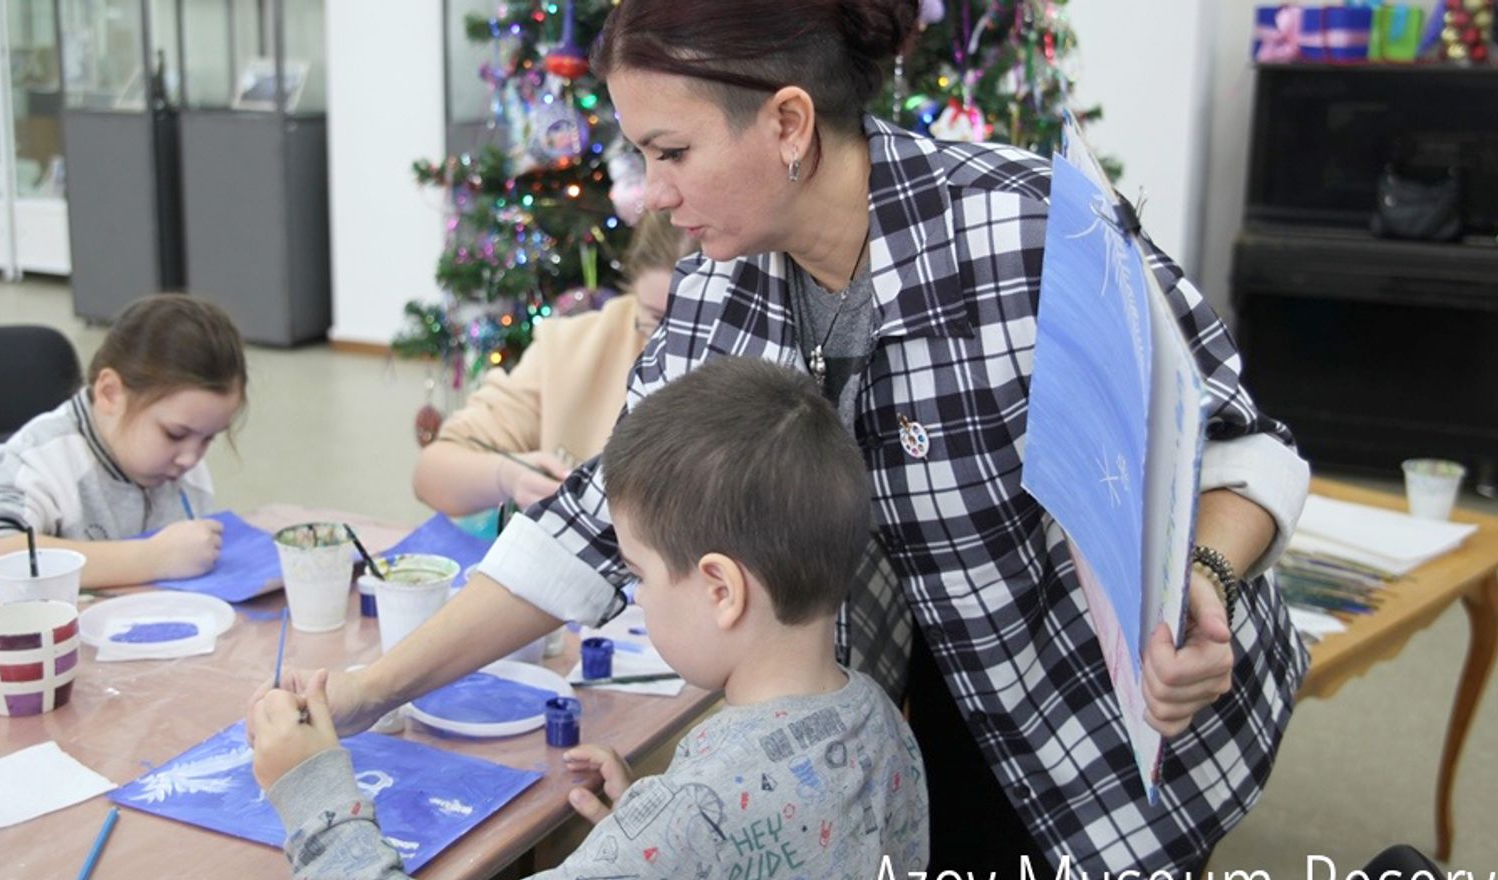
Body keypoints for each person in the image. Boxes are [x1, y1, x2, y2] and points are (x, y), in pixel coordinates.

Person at [262, 0, 1312, 874]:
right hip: (907, 708)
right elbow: (589, 523)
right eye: (639, 154)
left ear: (789, 123)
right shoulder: (719, 282)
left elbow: (1239, 443)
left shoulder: (1024, 230)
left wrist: (1206, 579)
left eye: (670, 151)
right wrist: (367, 690)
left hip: (1097, 696)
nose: (651, 194)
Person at [249, 358, 929, 878]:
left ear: (721, 589)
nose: (634, 597)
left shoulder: (691, 817)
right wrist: (650, 830)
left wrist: (314, 796)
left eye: (637, 574)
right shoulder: (881, 724)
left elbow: (708, 827)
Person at [0, 293, 247, 590]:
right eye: (174, 434)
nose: (191, 458)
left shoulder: (177, 460)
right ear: (110, 393)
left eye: (209, 438)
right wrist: (149, 558)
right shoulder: (39, 458)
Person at [413, 212, 692, 515]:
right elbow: (432, 472)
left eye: (692, 322)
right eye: (655, 318)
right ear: (634, 288)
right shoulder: (570, 346)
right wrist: (510, 476)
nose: (670, 341)